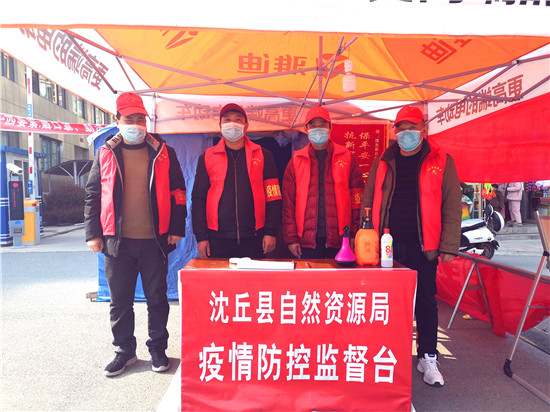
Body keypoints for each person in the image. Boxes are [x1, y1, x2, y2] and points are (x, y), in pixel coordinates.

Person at [84, 92, 187, 377]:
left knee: (157, 299)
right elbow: (93, 194)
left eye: (140, 119)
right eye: (129, 119)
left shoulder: (163, 151)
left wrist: (177, 228)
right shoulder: (106, 152)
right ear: (117, 120)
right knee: (120, 301)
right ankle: (125, 352)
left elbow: (179, 192)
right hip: (116, 241)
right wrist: (93, 233)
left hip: (155, 240)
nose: (136, 124)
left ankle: (158, 350)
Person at [361, 105, 461, 387]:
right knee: (386, 303)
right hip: (386, 245)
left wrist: (448, 245)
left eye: (412, 128)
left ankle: (428, 356)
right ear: (394, 132)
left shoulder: (441, 160)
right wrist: (366, 237)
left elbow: (452, 204)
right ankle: (385, 355)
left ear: (423, 130)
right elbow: (368, 200)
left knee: (425, 303)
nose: (406, 134)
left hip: (423, 245)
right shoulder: (383, 161)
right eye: (401, 129)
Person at [191, 103, 282, 258]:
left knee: (254, 275)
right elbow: (198, 199)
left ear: (246, 126)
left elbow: (273, 196)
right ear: (220, 126)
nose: (232, 124)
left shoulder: (263, 155)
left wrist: (270, 232)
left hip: (255, 238)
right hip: (217, 239)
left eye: (238, 119)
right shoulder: (207, 157)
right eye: (227, 120)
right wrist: (201, 237)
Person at [282, 105, 364, 259]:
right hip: (307, 240)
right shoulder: (296, 161)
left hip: (341, 238)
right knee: (311, 275)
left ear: (330, 127)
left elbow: (357, 198)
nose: (318, 129)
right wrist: (291, 238)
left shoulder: (346, 157)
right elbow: (288, 204)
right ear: (306, 129)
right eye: (313, 125)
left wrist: (354, 233)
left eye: (323, 124)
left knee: (340, 275)